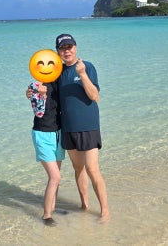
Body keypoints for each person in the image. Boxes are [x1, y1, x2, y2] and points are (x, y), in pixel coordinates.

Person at [54, 33, 110, 221]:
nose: (67, 51)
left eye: (69, 47)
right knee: (78, 168)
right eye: (62, 48)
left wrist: (83, 74)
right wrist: (31, 92)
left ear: (75, 47)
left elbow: (95, 96)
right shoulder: (58, 73)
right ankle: (84, 205)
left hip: (88, 126)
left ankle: (105, 211)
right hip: (68, 128)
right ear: (58, 52)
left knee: (92, 168)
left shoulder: (87, 66)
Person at [26, 80, 64, 226]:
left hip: (58, 134)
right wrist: (41, 96)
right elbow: (39, 112)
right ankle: (46, 215)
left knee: (56, 176)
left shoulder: (59, 82)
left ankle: (52, 208)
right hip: (42, 134)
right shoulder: (36, 85)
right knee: (55, 176)